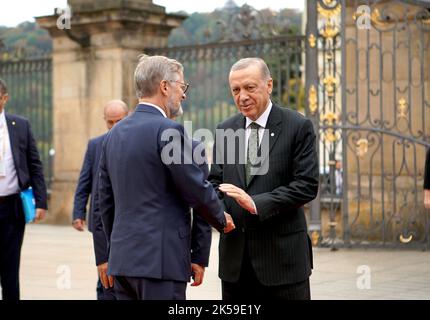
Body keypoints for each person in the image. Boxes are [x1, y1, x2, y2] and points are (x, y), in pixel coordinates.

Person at [98, 55, 235, 300]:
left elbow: (105, 203)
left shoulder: (112, 134)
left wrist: (115, 250)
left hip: (123, 263)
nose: (183, 94)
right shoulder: (168, 130)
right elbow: (194, 186)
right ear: (164, 86)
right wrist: (221, 218)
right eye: (181, 86)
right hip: (161, 262)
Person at [209, 58, 319, 300]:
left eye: (250, 87)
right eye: (235, 90)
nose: (242, 96)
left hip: (283, 264)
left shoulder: (298, 126)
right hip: (235, 267)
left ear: (269, 85)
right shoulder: (225, 129)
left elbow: (307, 185)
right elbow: (214, 183)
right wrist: (219, 212)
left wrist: (257, 203)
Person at [72, 100, 129, 300]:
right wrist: (78, 212)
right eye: (110, 122)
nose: (114, 126)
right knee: (105, 276)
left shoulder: (136, 142)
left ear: (128, 117)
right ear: (104, 121)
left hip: (127, 221)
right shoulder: (95, 145)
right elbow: (85, 181)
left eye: (119, 121)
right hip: (102, 223)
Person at [0, 78, 47, 300]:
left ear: (4, 98)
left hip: (12, 207)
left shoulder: (20, 125)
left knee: (10, 268)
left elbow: (35, 165)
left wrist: (41, 202)